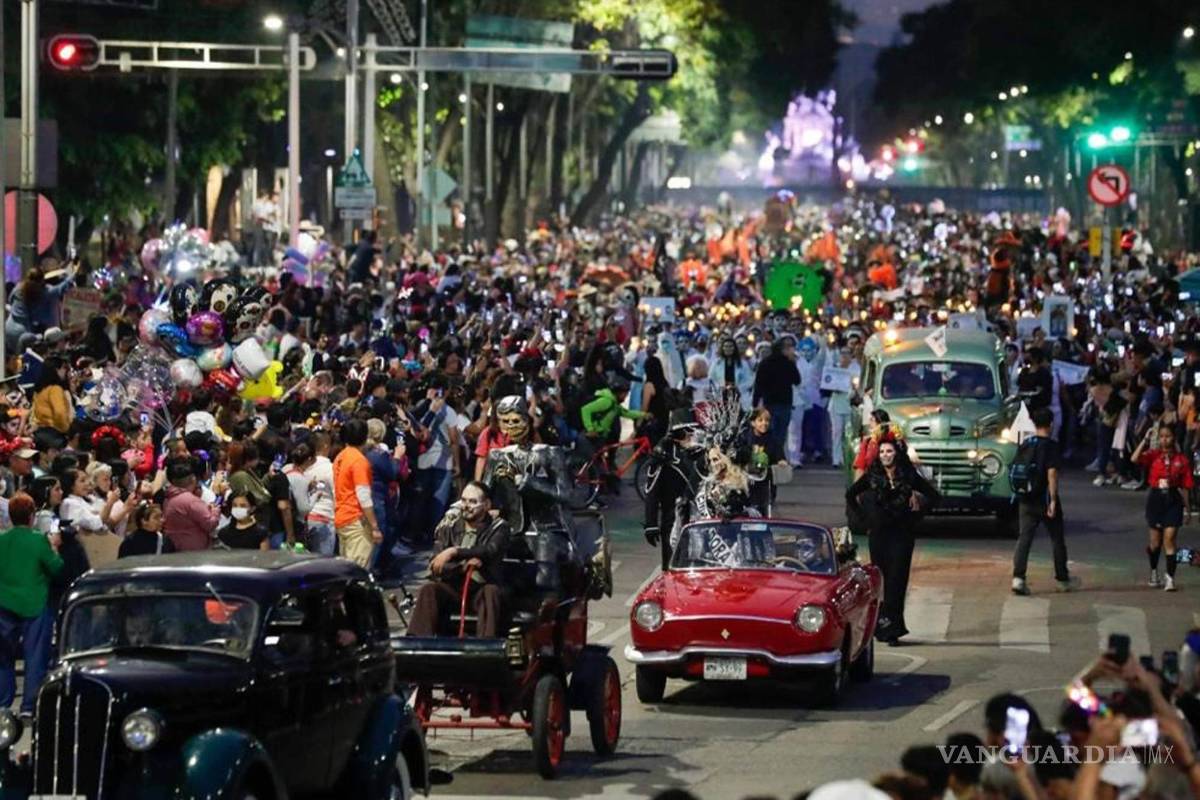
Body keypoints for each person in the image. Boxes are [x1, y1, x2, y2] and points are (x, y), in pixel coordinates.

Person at [845, 435, 940, 645]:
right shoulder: (872, 475)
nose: (885, 455)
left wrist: (916, 515)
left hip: (902, 535)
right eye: (882, 452)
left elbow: (934, 496)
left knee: (897, 582)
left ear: (896, 453)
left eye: (889, 451)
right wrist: (865, 519)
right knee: (881, 581)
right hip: (879, 536)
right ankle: (880, 626)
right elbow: (851, 495)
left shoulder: (908, 475)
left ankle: (894, 630)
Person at [407, 482, 511, 638]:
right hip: (454, 588)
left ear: (486, 505)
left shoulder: (499, 527)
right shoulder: (449, 527)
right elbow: (436, 564)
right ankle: (417, 643)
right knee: (429, 590)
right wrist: (461, 567)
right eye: (464, 500)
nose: (466, 506)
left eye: (473, 502)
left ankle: (486, 647)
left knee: (490, 592)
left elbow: (490, 551)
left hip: (482, 588)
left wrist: (454, 552)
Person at [0, 493, 63, 719]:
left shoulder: (1, 539)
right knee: (35, 656)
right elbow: (56, 568)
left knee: (3, 657)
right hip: (34, 604)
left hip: (3, 604)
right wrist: (54, 548)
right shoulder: (38, 540)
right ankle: (29, 707)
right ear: (32, 516)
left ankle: (3, 704)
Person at [1010, 407, 1074, 596]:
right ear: (1051, 424)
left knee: (1024, 538)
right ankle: (1062, 579)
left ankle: (1018, 578)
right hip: (1044, 498)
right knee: (1057, 539)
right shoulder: (1051, 446)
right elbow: (1052, 473)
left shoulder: (1026, 443)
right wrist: (1053, 500)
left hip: (1025, 498)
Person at [1132, 423, 1192, 591]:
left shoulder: (1182, 460)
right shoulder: (1153, 456)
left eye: (1168, 436)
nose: (1165, 440)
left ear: (1174, 438)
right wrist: (1146, 439)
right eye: (1162, 436)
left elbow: (1186, 487)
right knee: (1155, 543)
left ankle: (1170, 578)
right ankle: (1153, 571)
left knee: (1170, 539)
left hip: (1173, 500)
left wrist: (1187, 510)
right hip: (1156, 500)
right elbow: (1134, 458)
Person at [643, 409, 703, 569]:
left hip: (702, 523)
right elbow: (652, 492)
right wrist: (651, 523)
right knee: (673, 571)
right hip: (673, 522)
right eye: (687, 432)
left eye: (694, 431)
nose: (693, 436)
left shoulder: (702, 455)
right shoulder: (664, 457)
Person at [332, 419, 382, 567]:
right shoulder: (359, 461)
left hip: (341, 517)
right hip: (356, 520)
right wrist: (374, 526)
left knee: (347, 567)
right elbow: (364, 496)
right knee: (358, 570)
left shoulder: (340, 457)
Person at [60, 467, 122, 569]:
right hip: (88, 553)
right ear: (71, 485)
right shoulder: (69, 503)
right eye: (82, 481)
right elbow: (95, 524)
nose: (87, 483)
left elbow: (105, 519)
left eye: (87, 479)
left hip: (101, 548)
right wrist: (110, 502)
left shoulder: (88, 499)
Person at [752, 338, 801, 457]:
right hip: (784, 402)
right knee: (781, 433)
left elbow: (758, 384)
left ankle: (769, 456)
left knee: (769, 431)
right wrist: (793, 364)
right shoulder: (788, 363)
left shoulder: (764, 363)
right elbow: (797, 380)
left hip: (770, 402)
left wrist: (755, 401)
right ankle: (777, 455)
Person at [162, 461, 221, 552]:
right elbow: (210, 524)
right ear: (193, 479)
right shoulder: (191, 501)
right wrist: (215, 511)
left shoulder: (168, 498)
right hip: (194, 551)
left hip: (177, 547)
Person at [30, 356, 73, 434]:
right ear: (56, 370)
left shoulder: (39, 390)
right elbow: (60, 413)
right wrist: (67, 430)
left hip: (42, 431)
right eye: (63, 368)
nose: (65, 371)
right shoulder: (55, 389)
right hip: (55, 431)